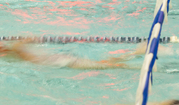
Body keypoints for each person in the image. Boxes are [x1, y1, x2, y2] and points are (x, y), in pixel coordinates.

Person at [0, 39, 133, 69]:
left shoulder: (14, 49)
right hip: (59, 60)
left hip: (62, 62)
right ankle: (134, 54)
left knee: (106, 66)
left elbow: (26, 40)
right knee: (103, 64)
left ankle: (136, 62)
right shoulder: (12, 49)